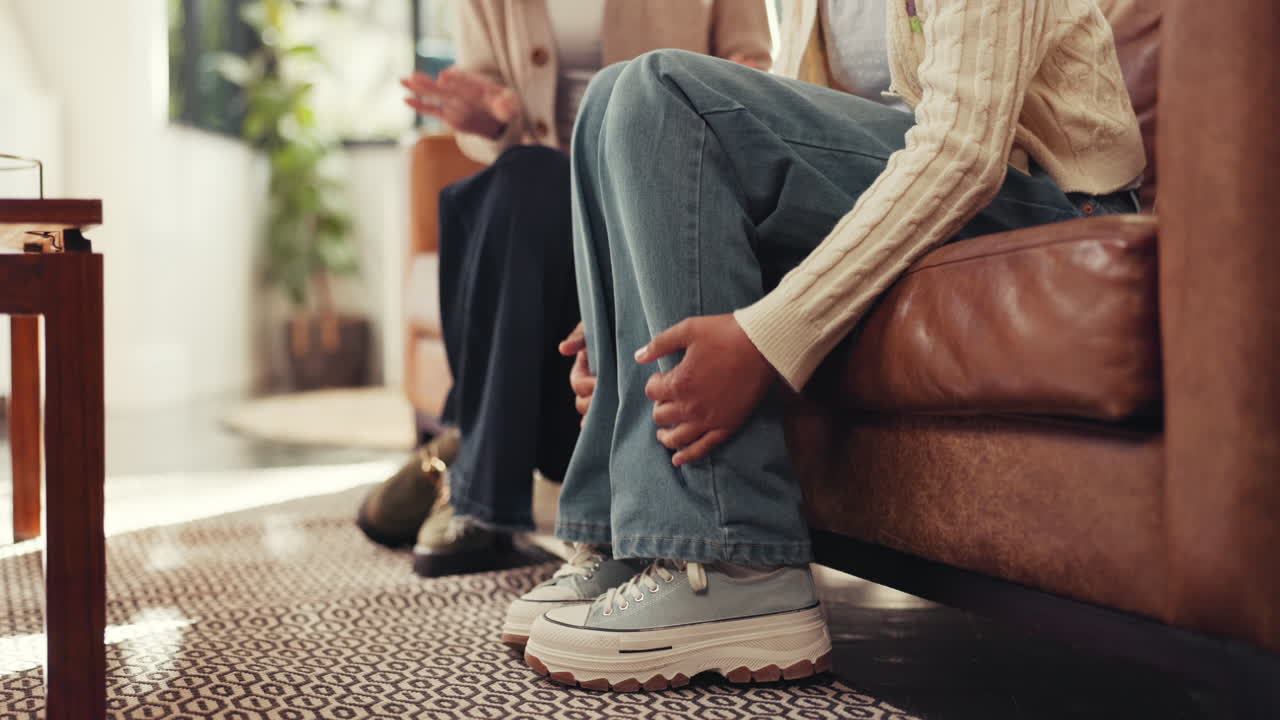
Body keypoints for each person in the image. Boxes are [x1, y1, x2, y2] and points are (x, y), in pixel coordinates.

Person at [506, 0, 1146, 690]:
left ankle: (731, 560)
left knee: (663, 90)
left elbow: (962, 152)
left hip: (1052, 203)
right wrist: (624, 316)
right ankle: (628, 540)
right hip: (916, 175)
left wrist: (767, 338)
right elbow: (781, 141)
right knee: (610, 97)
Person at [356, 0, 773, 578]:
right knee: (522, 181)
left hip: (665, 181)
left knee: (530, 192)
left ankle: (467, 448)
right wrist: (492, 117)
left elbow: (751, 67)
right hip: (540, 198)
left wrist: (745, 78)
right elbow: (487, 111)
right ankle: (481, 494)